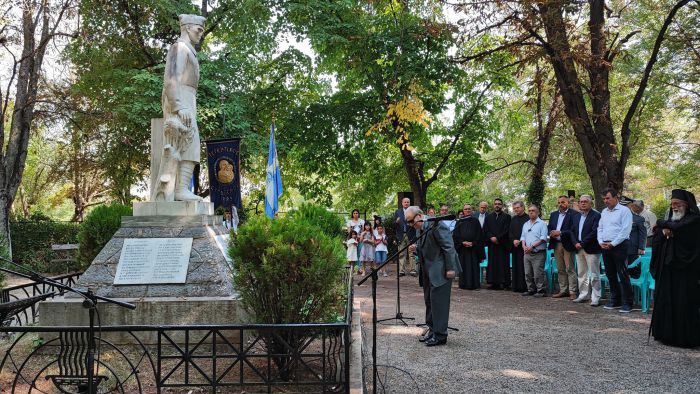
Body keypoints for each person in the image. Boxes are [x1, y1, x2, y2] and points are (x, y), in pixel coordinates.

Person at [153, 14, 206, 202]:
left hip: (187, 98)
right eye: (198, 29)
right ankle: (178, 190)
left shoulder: (188, 49)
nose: (201, 33)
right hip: (180, 98)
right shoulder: (180, 47)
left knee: (191, 145)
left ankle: (181, 188)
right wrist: (178, 106)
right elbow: (171, 79)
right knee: (184, 144)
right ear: (187, 27)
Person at [650, 189, 700, 348]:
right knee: (666, 298)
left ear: (686, 204)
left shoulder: (695, 219)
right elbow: (662, 232)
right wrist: (663, 231)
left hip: (686, 270)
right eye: (672, 204)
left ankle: (683, 337)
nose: (674, 207)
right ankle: (665, 334)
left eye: (677, 204)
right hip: (668, 267)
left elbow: (679, 229)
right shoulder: (672, 219)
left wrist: (661, 224)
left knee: (683, 301)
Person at [406, 206, 459, 347]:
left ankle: (441, 335)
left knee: (439, 303)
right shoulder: (420, 228)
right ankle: (432, 330)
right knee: (429, 301)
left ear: (419, 216)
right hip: (428, 270)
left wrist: (450, 268)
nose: (411, 225)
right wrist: (416, 249)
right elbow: (427, 247)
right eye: (408, 223)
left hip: (441, 269)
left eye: (411, 221)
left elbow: (448, 247)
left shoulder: (437, 224)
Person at [597, 188, 634, 313]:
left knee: (623, 274)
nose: (605, 201)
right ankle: (615, 299)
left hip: (619, 246)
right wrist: (600, 242)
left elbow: (625, 230)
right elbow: (600, 228)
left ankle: (628, 302)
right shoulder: (604, 212)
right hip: (605, 246)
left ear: (615, 198)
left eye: (608, 198)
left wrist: (612, 244)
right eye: (604, 199)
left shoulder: (625, 211)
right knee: (610, 274)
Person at [571, 195, 602, 306]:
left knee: (594, 275)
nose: (583, 203)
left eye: (585, 202)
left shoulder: (597, 215)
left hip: (592, 248)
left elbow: (595, 232)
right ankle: (583, 295)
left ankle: (595, 297)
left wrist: (582, 243)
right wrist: (575, 243)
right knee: (581, 273)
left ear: (590, 203)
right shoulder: (576, 216)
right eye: (581, 202)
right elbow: (572, 231)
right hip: (578, 248)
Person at [548, 195, 581, 300]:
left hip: (568, 244)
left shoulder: (574, 214)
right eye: (559, 202)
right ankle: (563, 290)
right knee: (560, 269)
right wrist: (551, 232)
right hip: (556, 244)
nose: (561, 204)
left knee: (570, 268)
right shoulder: (553, 214)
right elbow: (550, 226)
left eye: (563, 202)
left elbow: (574, 229)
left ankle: (573, 291)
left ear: (568, 203)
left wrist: (560, 232)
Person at [452, 204, 485, 290]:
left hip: (473, 249)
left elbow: (479, 235)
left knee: (473, 267)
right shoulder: (459, 221)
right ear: (463, 211)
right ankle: (463, 284)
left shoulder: (476, 221)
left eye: (469, 209)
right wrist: (462, 242)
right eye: (466, 209)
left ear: (472, 210)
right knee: (463, 267)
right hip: (463, 249)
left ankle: (474, 285)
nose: (467, 210)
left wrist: (473, 243)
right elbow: (456, 235)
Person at [520, 205, 549, 297]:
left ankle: (541, 290)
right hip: (527, 252)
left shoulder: (542, 224)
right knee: (527, 273)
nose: (531, 212)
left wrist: (532, 247)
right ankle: (530, 289)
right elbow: (523, 237)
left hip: (538, 253)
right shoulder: (526, 224)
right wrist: (524, 246)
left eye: (533, 210)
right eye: (529, 211)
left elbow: (543, 239)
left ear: (538, 212)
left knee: (538, 273)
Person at [484, 198, 511, 290]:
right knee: (492, 264)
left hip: (502, 244)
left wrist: (498, 238)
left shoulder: (507, 217)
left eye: (499, 204)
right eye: (495, 204)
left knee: (503, 264)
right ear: (493, 205)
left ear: (502, 205)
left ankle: (505, 283)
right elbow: (485, 229)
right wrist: (491, 237)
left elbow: (507, 230)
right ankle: (493, 283)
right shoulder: (488, 217)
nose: (497, 205)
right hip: (492, 244)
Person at [394, 197, 417, 276]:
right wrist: (396, 222)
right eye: (405, 202)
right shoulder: (398, 212)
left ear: (409, 203)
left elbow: (417, 222)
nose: (406, 203)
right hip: (401, 234)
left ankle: (413, 270)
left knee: (412, 253)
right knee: (401, 253)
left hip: (411, 234)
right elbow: (394, 224)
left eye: (408, 202)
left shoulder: (413, 211)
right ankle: (401, 271)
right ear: (402, 203)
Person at [509, 201, 529, 293]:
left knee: (524, 267)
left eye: (517, 208)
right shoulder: (513, 219)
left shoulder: (528, 218)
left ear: (523, 207)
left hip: (525, 247)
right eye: (515, 208)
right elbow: (510, 232)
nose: (516, 210)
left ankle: (525, 287)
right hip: (515, 247)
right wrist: (513, 240)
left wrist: (520, 241)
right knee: (516, 266)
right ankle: (516, 286)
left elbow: (529, 233)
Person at [625, 203, 647, 279]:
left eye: (626, 206)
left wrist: (642, 247)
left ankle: (634, 290)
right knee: (623, 273)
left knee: (634, 272)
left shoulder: (638, 219)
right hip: (620, 249)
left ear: (630, 206)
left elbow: (643, 234)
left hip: (633, 250)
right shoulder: (617, 219)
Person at [347, 209, 365, 273]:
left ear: (358, 214)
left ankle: (360, 268)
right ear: (352, 214)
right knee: (353, 253)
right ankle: (354, 268)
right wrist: (355, 237)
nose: (355, 214)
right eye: (354, 213)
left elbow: (364, 230)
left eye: (356, 213)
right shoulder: (349, 222)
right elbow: (349, 231)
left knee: (360, 253)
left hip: (360, 239)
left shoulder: (362, 221)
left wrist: (361, 236)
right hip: (353, 240)